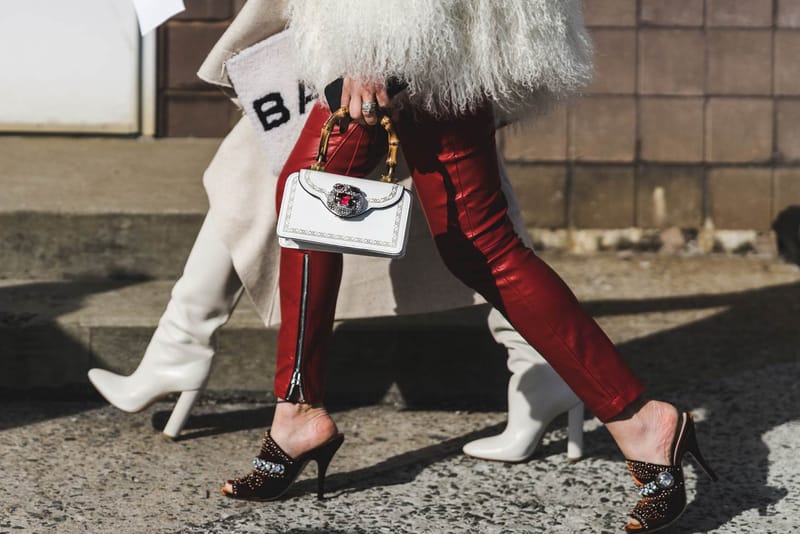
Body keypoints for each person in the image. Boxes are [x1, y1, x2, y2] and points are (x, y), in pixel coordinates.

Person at [218, 2, 718, 532]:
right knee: (313, 198)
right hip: (408, 34)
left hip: (417, 30)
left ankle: (641, 419)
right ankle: (296, 410)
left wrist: (376, 48)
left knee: (478, 241)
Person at [87, 0, 582, 461]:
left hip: (394, 25)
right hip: (389, 26)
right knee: (459, 203)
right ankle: (543, 367)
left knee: (463, 211)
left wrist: (374, 45)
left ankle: (186, 350)